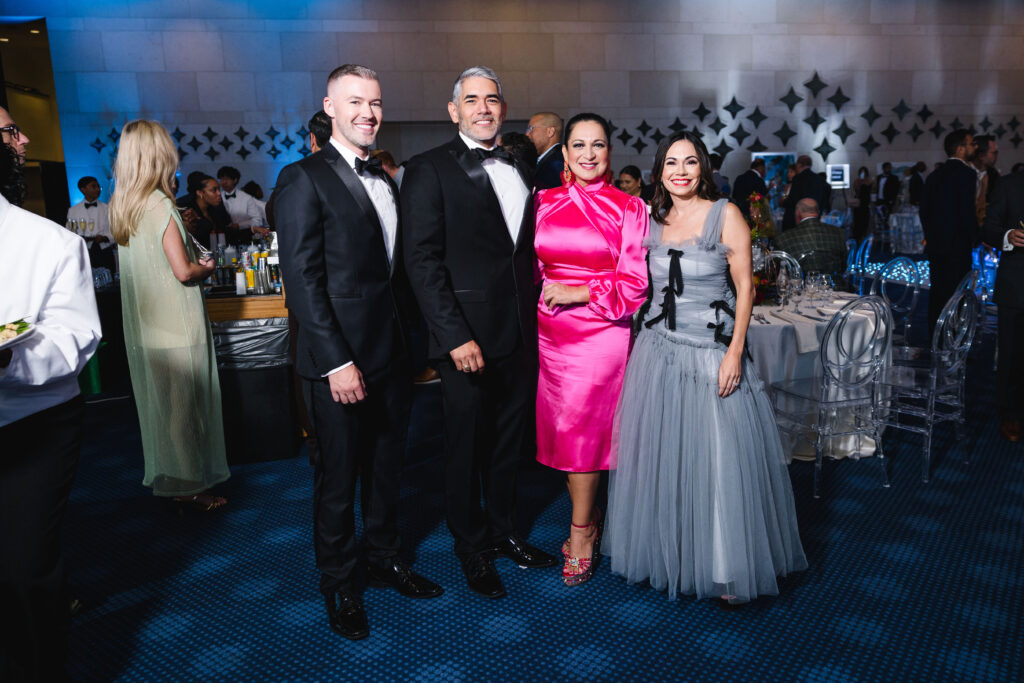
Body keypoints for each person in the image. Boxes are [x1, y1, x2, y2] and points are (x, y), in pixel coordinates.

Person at [275, 65, 443, 641]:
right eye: (355, 102)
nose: (368, 112)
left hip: (393, 359)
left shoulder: (388, 179)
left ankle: (387, 556)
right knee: (337, 479)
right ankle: (340, 585)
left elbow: (394, 275)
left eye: (374, 102)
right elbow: (302, 282)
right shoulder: (302, 178)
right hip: (337, 364)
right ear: (330, 106)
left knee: (388, 469)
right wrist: (336, 362)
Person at [606, 130, 806, 604]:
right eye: (671, 162)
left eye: (690, 162)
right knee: (666, 456)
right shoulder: (651, 219)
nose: (680, 171)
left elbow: (746, 288)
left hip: (710, 350)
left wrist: (736, 352)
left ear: (703, 169)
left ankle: (723, 565)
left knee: (716, 460)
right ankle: (671, 553)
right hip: (657, 350)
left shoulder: (726, 214)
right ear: (659, 171)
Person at [403, 66, 557, 600]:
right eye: (472, 100)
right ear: (454, 111)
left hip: (521, 332)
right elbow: (420, 261)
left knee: (507, 446)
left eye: (492, 99)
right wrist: (452, 336)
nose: (484, 108)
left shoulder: (521, 165)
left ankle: (505, 532)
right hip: (465, 337)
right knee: (465, 446)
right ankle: (470, 548)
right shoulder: (428, 169)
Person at [1, 130, 100, 682]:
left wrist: (5, 362)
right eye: (10, 129)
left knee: (21, 572)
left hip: (28, 422)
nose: (23, 139)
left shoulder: (51, 242)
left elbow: (73, 342)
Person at [534, 113, 648, 586]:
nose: (587, 154)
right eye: (577, 145)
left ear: (609, 152)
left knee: (582, 435)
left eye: (597, 145)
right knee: (564, 434)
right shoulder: (542, 202)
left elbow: (636, 283)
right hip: (547, 334)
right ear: (563, 154)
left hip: (600, 332)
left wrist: (578, 293)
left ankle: (581, 532)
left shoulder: (629, 208)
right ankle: (591, 510)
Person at [110, 120, 230, 510]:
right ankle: (190, 486)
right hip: (177, 322)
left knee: (168, 408)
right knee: (185, 409)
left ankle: (181, 480)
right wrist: (208, 268)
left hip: (148, 324)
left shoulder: (123, 204)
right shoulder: (160, 203)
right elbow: (183, 271)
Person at [920, 129, 978, 336]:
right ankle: (953, 341)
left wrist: (931, 236)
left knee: (937, 293)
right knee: (958, 295)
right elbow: (966, 211)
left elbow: (924, 210)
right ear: (961, 148)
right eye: (972, 144)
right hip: (958, 246)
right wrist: (977, 238)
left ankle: (934, 338)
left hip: (936, 246)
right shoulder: (967, 174)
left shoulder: (934, 175)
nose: (975, 147)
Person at [981, 171, 1024, 442]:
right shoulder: (1010, 184)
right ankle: (1011, 414)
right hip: (1017, 285)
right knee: (1013, 354)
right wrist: (1009, 235)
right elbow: (988, 228)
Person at [773, 198, 847, 276]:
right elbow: (844, 267)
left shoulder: (783, 239)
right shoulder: (838, 233)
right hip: (836, 286)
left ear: (798, 213)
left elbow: (779, 273)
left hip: (800, 287)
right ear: (817, 213)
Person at [177, 172, 231, 249]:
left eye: (219, 189)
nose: (219, 193)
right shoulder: (189, 213)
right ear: (200, 193)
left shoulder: (217, 208)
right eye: (214, 190)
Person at [782, 155, 830, 230]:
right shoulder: (819, 179)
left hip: (797, 221)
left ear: (799, 165)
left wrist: (784, 198)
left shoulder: (797, 179)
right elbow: (824, 200)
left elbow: (793, 200)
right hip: (815, 217)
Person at [217, 166, 265, 231]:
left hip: (243, 234)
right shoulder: (217, 196)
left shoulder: (246, 198)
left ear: (235, 180)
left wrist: (240, 225)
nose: (224, 182)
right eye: (221, 179)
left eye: (227, 179)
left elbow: (258, 220)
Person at [526, 111, 565, 190]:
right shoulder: (546, 160)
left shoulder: (556, 164)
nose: (527, 134)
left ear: (550, 132)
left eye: (531, 128)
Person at [852, 166, 873, 241]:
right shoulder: (857, 181)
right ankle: (857, 237)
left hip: (865, 204)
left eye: (864, 172)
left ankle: (863, 237)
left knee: (865, 222)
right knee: (857, 222)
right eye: (861, 172)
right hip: (858, 204)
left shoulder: (869, 181)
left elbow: (871, 191)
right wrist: (859, 182)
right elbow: (855, 191)